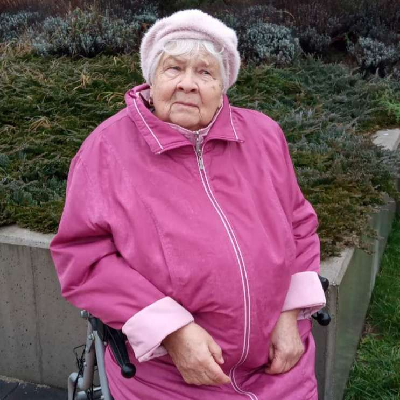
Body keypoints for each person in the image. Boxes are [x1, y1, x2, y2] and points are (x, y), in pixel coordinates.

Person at [50, 9, 326, 400]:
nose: (187, 84)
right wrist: (173, 331)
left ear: (223, 84)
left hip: (279, 366)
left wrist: (290, 315)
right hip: (169, 376)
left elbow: (298, 224)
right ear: (152, 78)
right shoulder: (106, 150)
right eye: (174, 68)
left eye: (205, 72)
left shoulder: (264, 135)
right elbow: (85, 258)